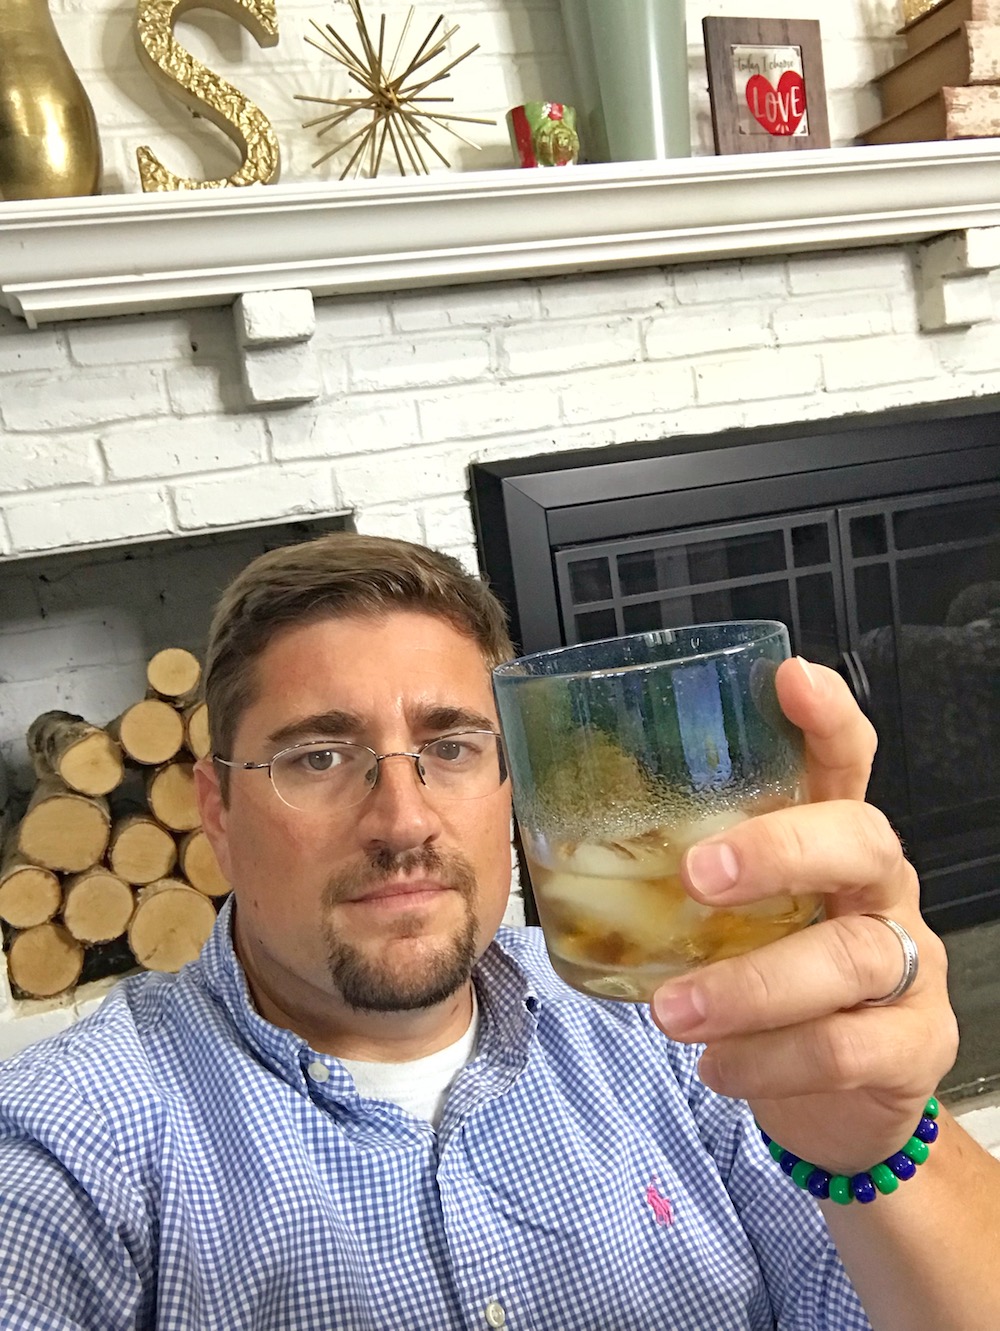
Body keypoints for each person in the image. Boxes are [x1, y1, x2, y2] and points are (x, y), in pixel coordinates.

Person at [0, 532, 997, 1331]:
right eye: (317, 757)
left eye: (452, 746)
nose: (404, 822)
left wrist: (879, 1147)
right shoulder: (71, 1144)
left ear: (511, 778)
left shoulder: (682, 1017)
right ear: (215, 811)